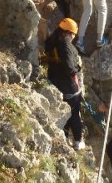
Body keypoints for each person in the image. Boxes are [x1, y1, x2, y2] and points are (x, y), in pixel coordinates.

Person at [45, 17, 85, 150]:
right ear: (69, 33)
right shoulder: (66, 45)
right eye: (73, 34)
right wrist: (76, 76)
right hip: (67, 83)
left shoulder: (52, 41)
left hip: (55, 80)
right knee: (74, 112)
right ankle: (78, 140)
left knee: (65, 110)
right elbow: (69, 67)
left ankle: (65, 136)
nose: (73, 37)